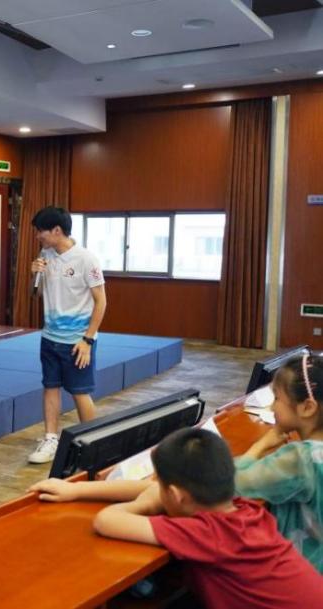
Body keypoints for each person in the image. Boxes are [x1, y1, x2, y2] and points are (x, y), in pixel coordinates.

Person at [30, 428, 323, 608]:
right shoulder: (242, 508)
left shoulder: (206, 533)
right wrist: (76, 490)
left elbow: (106, 521)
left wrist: (144, 505)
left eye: (160, 485)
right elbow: (150, 490)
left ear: (176, 495)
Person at [27, 207, 107, 464]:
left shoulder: (86, 259)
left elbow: (101, 301)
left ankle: (91, 443)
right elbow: (36, 294)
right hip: (50, 337)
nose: (38, 236)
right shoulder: (45, 255)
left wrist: (87, 340)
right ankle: (50, 438)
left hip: (77, 341)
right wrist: (35, 274)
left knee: (79, 391)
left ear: (57, 230)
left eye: (41, 231)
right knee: (50, 387)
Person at [235, 352, 323, 571]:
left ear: (307, 407)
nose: (272, 408)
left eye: (276, 398)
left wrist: (259, 446)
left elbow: (232, 484)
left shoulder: (300, 459)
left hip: (304, 574)